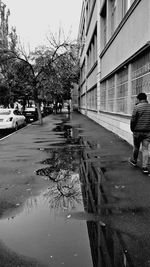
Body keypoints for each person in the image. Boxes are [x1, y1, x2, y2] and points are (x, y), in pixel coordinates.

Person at [129, 92, 150, 174]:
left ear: (138, 99)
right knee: (145, 149)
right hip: (148, 132)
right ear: (146, 98)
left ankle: (134, 161)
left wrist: (132, 129)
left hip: (137, 131)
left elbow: (133, 119)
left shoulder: (137, 107)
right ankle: (145, 167)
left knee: (136, 147)